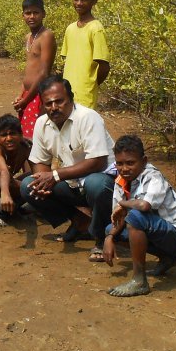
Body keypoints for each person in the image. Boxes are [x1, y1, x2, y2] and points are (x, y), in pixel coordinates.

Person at [97, 134, 176, 297]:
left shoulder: (153, 176)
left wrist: (123, 204)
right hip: (158, 231)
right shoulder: (120, 181)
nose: (124, 168)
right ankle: (167, 258)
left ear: (143, 161)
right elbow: (118, 218)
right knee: (112, 229)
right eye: (120, 164)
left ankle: (139, 281)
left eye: (130, 163)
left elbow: (144, 205)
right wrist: (109, 238)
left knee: (136, 217)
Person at [19, 75, 115, 243]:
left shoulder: (88, 118)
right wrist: (42, 184)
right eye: (48, 103)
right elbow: (39, 161)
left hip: (106, 182)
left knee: (96, 184)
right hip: (73, 182)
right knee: (29, 186)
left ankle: (102, 237)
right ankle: (80, 221)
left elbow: (98, 162)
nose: (54, 107)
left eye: (59, 101)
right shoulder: (42, 123)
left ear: (71, 99)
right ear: (42, 104)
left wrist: (54, 176)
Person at [58, 0, 110, 109]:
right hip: (67, 94)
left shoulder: (96, 28)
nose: (79, 3)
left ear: (94, 1)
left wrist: (91, 85)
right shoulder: (70, 28)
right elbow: (68, 60)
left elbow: (104, 66)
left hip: (85, 96)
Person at [12, 0, 56, 140]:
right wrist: (21, 95)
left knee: (35, 140)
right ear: (22, 15)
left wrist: (26, 100)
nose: (32, 16)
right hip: (27, 94)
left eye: (36, 13)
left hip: (38, 95)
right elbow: (29, 70)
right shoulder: (28, 37)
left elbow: (43, 73)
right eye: (28, 13)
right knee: (24, 139)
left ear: (43, 14)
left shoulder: (46, 36)